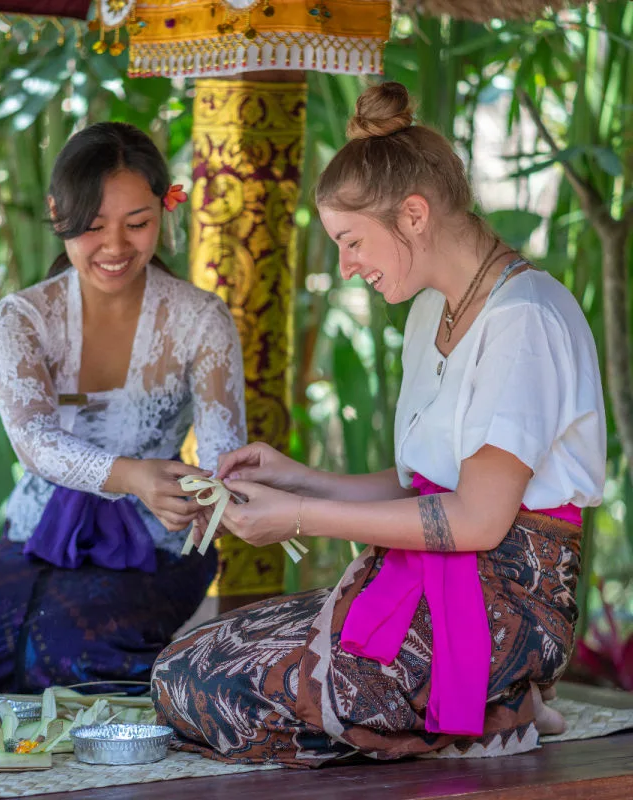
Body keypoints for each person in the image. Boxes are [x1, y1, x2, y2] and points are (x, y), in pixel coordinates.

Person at [151, 82, 605, 764]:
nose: (346, 264)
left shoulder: (524, 319)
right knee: (180, 666)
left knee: (230, 692)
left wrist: (298, 515)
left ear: (414, 215)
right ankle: (495, 705)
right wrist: (291, 475)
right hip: (434, 574)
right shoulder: (432, 311)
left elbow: (477, 522)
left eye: (353, 240)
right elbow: (416, 488)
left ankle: (501, 688)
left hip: (507, 598)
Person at [0, 122, 246, 693]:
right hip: (38, 527)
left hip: (156, 537)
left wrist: (204, 498)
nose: (115, 247)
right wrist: (132, 476)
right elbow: (34, 443)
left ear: (164, 209)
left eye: (137, 224)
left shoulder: (202, 319)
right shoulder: (20, 319)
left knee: (81, 659)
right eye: (93, 226)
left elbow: (226, 452)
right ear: (59, 214)